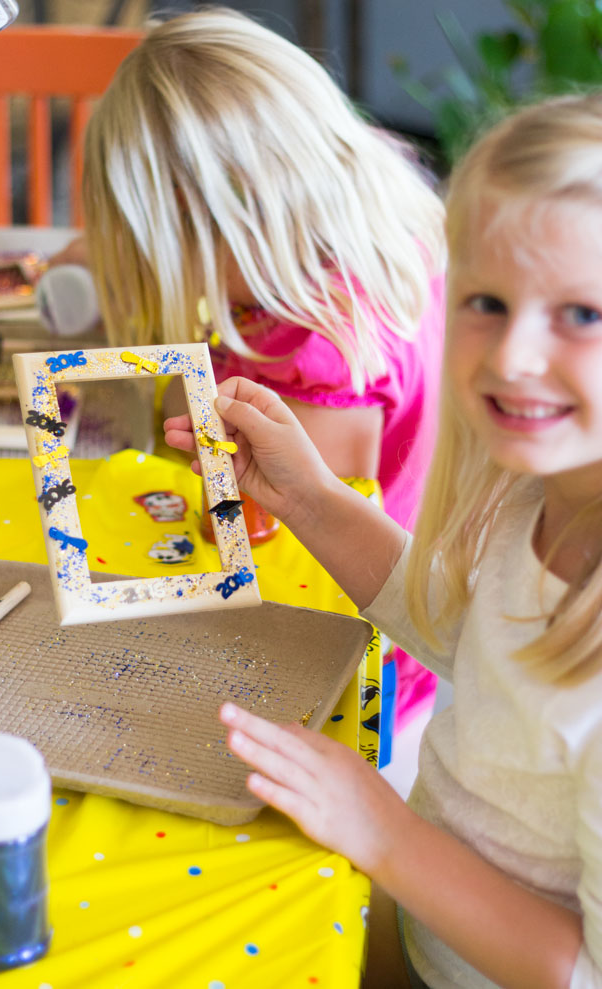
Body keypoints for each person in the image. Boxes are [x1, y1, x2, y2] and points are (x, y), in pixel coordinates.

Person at [164, 91, 602, 988]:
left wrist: (381, 827)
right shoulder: (538, 495)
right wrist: (310, 497)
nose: (513, 354)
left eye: (582, 315)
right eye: (487, 299)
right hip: (411, 932)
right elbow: (458, 635)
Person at [79, 8, 447, 740]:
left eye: (154, 245)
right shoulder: (347, 209)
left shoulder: (316, 356)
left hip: (350, 678)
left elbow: (301, 572)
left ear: (211, 225)